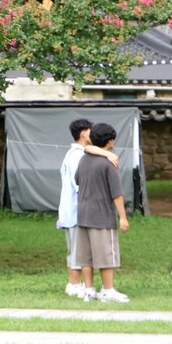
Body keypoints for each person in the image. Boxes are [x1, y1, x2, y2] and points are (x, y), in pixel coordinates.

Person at [57, 118, 119, 298]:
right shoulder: (78, 156)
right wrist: (107, 155)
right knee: (80, 252)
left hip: (73, 209)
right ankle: (75, 284)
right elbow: (81, 184)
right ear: (84, 133)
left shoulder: (74, 153)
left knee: (76, 250)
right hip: (80, 209)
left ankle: (76, 284)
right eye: (91, 130)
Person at [75, 121, 129, 303]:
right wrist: (123, 217)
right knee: (106, 255)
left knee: (86, 257)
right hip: (102, 216)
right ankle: (108, 291)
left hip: (83, 214)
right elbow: (117, 194)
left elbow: (77, 179)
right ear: (110, 141)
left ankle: (89, 291)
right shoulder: (109, 163)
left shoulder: (83, 159)